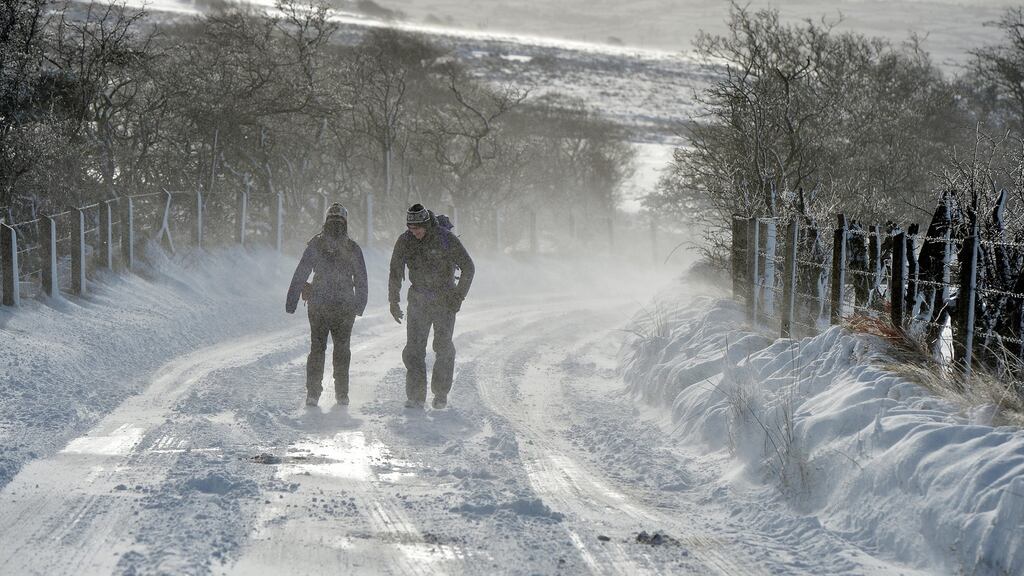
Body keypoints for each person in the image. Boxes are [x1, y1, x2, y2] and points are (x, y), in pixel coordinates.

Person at [389, 203, 475, 409]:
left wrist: (458, 297)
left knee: (443, 348)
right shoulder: (405, 241)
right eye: (410, 229)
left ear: (426, 224)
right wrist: (393, 300)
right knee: (414, 349)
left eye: (417, 229)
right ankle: (416, 396)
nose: (414, 233)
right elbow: (395, 271)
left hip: (445, 302)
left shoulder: (445, 238)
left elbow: (468, 267)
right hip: (418, 300)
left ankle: (440, 393)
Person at [286, 203, 368, 407]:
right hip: (344, 305)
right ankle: (342, 394)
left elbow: (301, 273)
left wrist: (292, 300)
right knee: (342, 349)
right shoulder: (352, 247)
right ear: (345, 222)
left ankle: (313, 394)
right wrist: (360, 304)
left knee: (317, 348)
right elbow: (361, 279)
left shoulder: (316, 244)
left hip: (319, 303)